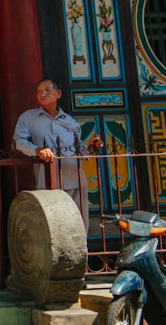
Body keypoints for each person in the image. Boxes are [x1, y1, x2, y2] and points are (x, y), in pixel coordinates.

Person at [13, 77, 104, 225]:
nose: (43, 94)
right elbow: (19, 142)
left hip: (75, 178)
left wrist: (92, 147)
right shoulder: (28, 118)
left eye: (47, 90)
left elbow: (79, 151)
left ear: (58, 94)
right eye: (39, 92)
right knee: (53, 224)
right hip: (49, 179)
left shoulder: (69, 121)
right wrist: (37, 150)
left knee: (78, 224)